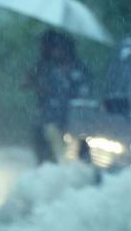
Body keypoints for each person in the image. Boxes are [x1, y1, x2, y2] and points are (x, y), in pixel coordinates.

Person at [24, 30, 91, 163]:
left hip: (74, 122)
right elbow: (28, 84)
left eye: (60, 48)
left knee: (79, 157)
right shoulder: (44, 67)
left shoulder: (80, 69)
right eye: (54, 48)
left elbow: (85, 94)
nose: (57, 52)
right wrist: (37, 85)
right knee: (45, 156)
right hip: (47, 120)